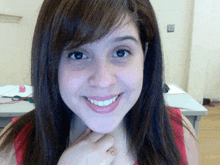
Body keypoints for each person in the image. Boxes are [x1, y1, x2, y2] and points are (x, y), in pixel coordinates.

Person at [0, 0, 200, 164]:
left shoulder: (178, 134)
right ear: (50, 61)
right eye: (78, 55)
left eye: (121, 52)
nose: (103, 81)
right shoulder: (14, 146)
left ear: (144, 54)